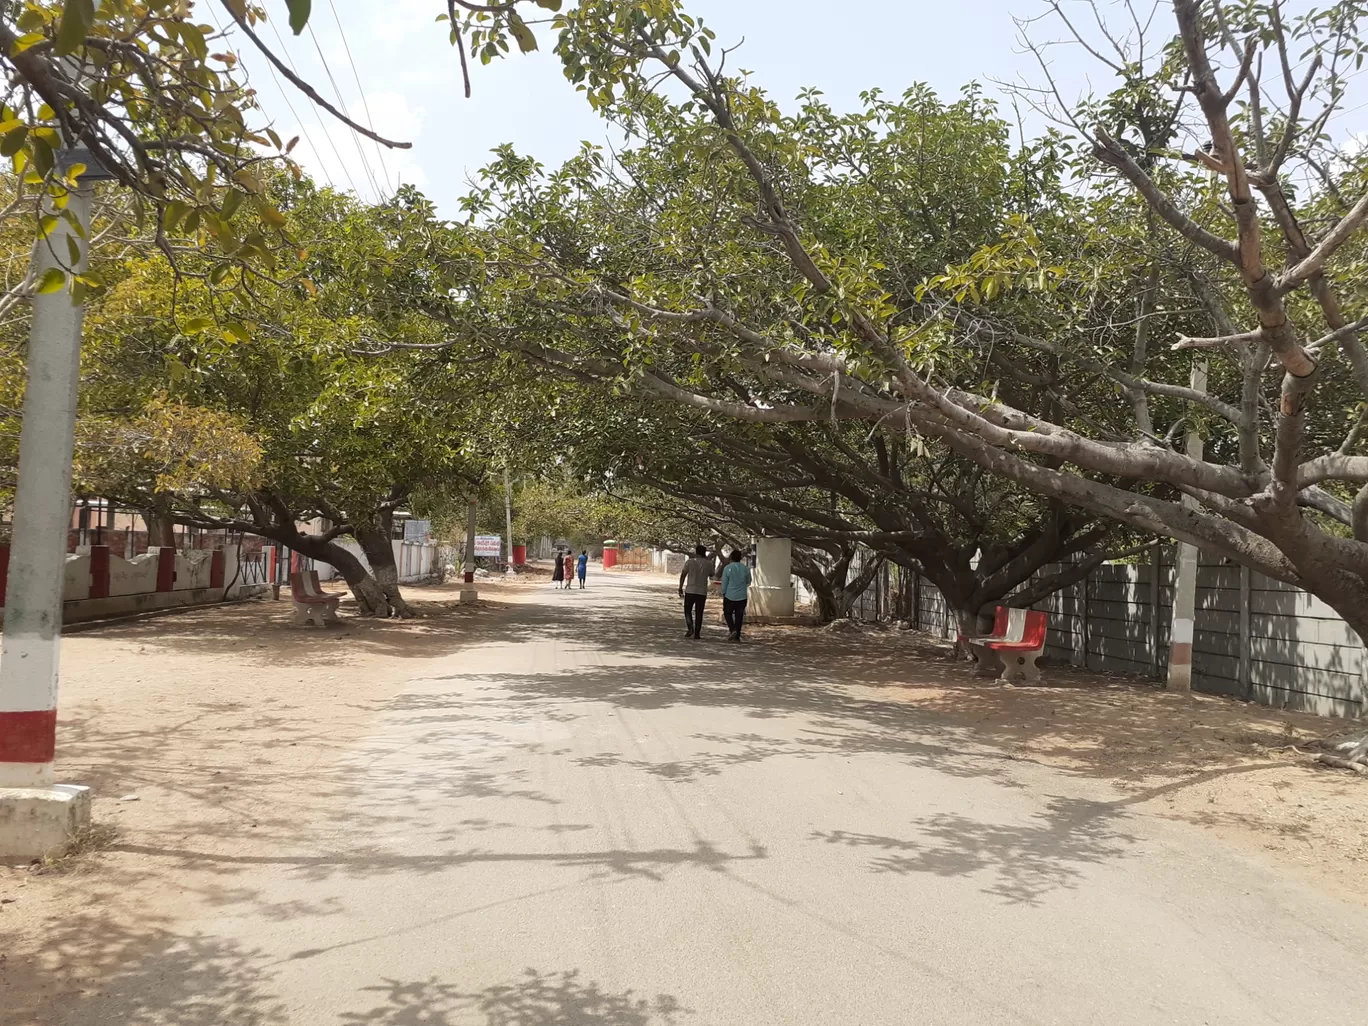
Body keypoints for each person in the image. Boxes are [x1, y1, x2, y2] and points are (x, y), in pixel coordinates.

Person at [678, 543, 711, 639]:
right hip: (702, 591)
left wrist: (680, 587)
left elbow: (683, 574)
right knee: (699, 612)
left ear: (696, 552)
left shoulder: (690, 562)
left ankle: (690, 627)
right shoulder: (708, 563)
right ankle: (697, 633)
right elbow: (712, 574)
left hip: (690, 590)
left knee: (687, 610)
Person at [721, 548, 752, 642]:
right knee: (739, 616)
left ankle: (732, 629)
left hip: (729, 595)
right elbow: (749, 581)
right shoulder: (746, 569)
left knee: (727, 613)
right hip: (742, 596)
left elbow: (724, 582)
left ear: (731, 558)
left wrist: (723, 592)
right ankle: (737, 636)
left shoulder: (727, 568)